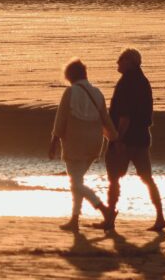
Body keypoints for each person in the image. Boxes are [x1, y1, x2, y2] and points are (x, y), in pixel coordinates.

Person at [98, 48, 165, 232]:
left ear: (130, 62)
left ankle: (110, 218)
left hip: (126, 139)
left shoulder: (126, 83)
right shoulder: (144, 82)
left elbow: (124, 116)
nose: (117, 63)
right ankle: (160, 216)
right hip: (142, 138)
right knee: (147, 178)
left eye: (120, 59)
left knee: (114, 179)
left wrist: (118, 139)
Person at [49, 58, 119, 231]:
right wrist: (114, 138)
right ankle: (74, 219)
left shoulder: (70, 92)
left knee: (75, 183)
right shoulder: (97, 92)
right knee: (77, 181)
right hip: (94, 143)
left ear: (70, 75)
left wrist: (54, 140)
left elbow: (61, 118)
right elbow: (106, 119)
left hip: (75, 143)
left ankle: (104, 209)